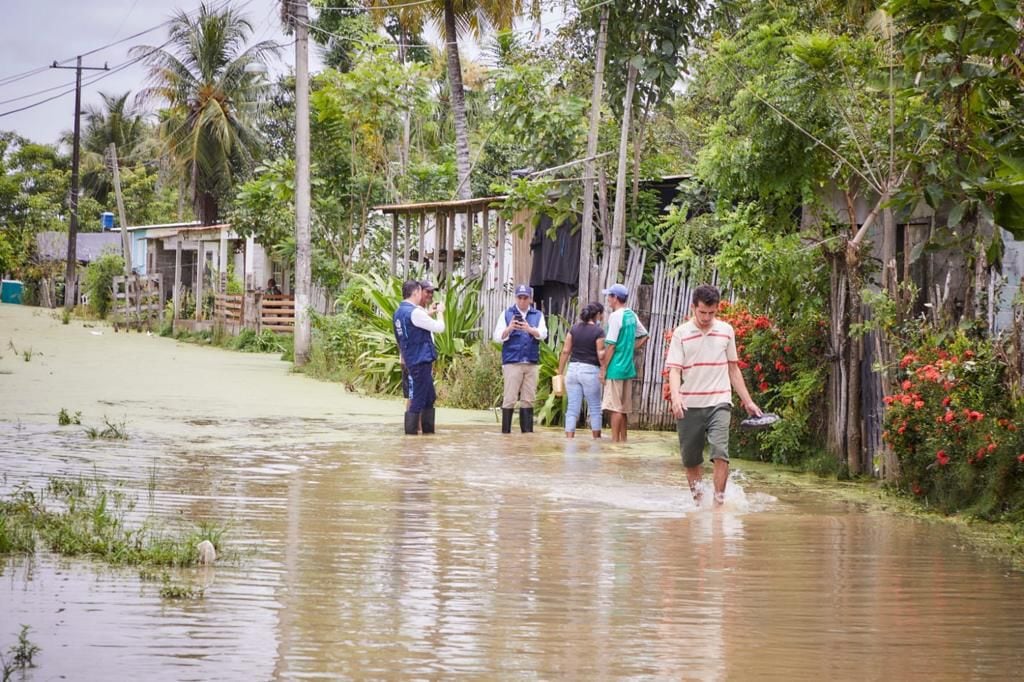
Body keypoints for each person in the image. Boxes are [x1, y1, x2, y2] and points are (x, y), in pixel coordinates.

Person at [666, 284, 762, 506]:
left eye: (712, 312)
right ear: (693, 308)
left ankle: (718, 505)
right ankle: (700, 504)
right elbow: (674, 370)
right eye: (702, 312)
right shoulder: (681, 334)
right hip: (690, 403)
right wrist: (676, 398)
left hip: (719, 400)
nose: (707, 317)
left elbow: (733, 368)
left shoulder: (726, 331)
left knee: (720, 451)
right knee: (691, 460)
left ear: (717, 309)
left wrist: (747, 401)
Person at [493, 284, 548, 433]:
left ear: (530, 299)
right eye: (520, 297)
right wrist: (510, 328)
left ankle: (527, 435)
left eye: (525, 298)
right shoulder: (506, 314)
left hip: (531, 362)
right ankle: (506, 434)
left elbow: (543, 334)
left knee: (528, 399)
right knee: (509, 398)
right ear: (515, 298)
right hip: (512, 362)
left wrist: (530, 329)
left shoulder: (537, 315)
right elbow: (497, 337)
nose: (523, 301)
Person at [393, 280, 445, 435]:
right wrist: (441, 312)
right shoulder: (414, 312)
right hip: (420, 360)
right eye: (420, 291)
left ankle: (427, 435)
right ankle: (411, 438)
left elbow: (401, 336)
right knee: (419, 399)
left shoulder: (399, 312)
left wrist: (429, 313)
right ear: (415, 292)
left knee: (429, 397)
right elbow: (439, 328)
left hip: (412, 359)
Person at [599, 283, 649, 442]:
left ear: (615, 298)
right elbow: (645, 335)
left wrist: (603, 369)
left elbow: (611, 345)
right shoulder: (631, 315)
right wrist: (630, 349)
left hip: (615, 368)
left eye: (609, 296)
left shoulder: (615, 316)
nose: (608, 299)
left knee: (615, 408)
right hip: (628, 368)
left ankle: (614, 444)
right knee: (624, 408)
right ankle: (623, 441)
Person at [558, 302, 606, 439]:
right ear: (597, 315)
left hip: (572, 370)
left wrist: (560, 372)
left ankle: (569, 439)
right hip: (590, 371)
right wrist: (603, 370)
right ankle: (596, 439)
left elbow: (566, 351)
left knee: (572, 408)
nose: (602, 316)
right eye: (602, 314)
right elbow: (600, 354)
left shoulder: (574, 329)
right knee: (595, 408)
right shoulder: (599, 331)